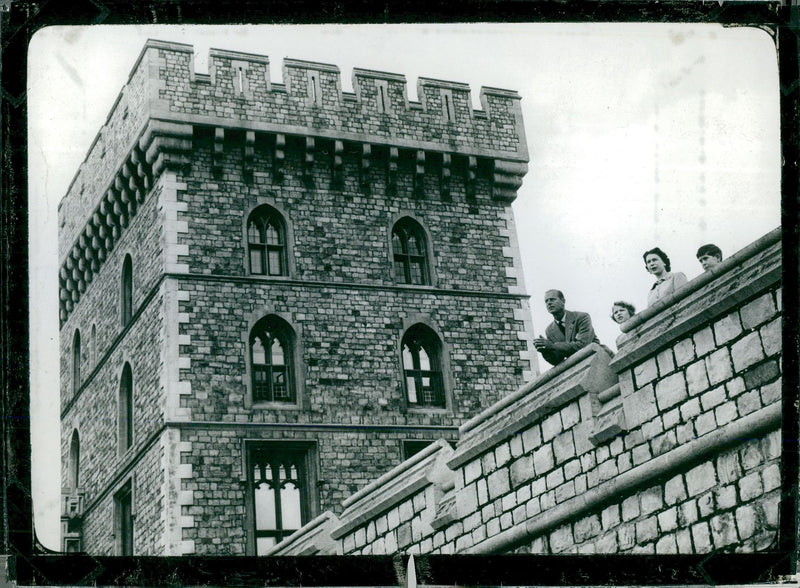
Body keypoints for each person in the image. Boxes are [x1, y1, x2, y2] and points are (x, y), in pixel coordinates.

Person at [534, 289, 602, 366]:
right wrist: (545, 351)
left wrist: (552, 346)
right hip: (578, 365)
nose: (549, 303)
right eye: (546, 301)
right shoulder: (549, 330)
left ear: (563, 301)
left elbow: (583, 345)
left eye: (552, 299)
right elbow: (557, 360)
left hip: (598, 359)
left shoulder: (581, 317)